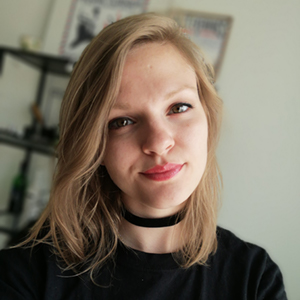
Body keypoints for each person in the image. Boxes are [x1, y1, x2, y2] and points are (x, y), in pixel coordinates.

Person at [0, 13, 287, 299]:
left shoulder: (254, 279)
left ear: (208, 119)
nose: (159, 142)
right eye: (122, 121)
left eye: (178, 107)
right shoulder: (26, 272)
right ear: (93, 144)